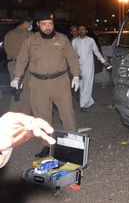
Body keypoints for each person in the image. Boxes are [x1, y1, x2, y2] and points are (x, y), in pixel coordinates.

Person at [10, 12, 80, 157]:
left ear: (53, 24)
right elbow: (22, 59)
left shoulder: (62, 39)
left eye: (50, 24)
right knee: (42, 117)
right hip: (38, 84)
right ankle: (46, 145)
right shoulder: (30, 40)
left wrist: (76, 75)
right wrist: (17, 77)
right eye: (44, 24)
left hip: (60, 82)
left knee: (67, 114)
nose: (47, 27)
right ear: (38, 25)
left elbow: (72, 58)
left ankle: (74, 143)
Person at [72, 25, 110, 112]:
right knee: (81, 85)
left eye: (83, 29)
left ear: (86, 31)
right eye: (80, 29)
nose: (81, 30)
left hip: (89, 66)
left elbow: (96, 51)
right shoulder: (74, 41)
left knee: (88, 85)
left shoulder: (91, 40)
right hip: (78, 66)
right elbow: (72, 53)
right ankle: (88, 101)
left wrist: (103, 61)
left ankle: (83, 105)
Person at [4, 15, 33, 114]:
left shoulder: (9, 34)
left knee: (16, 91)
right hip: (24, 66)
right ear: (26, 23)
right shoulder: (29, 35)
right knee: (26, 93)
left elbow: (6, 49)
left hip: (11, 64)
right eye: (30, 23)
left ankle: (13, 115)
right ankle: (26, 118)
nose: (31, 25)